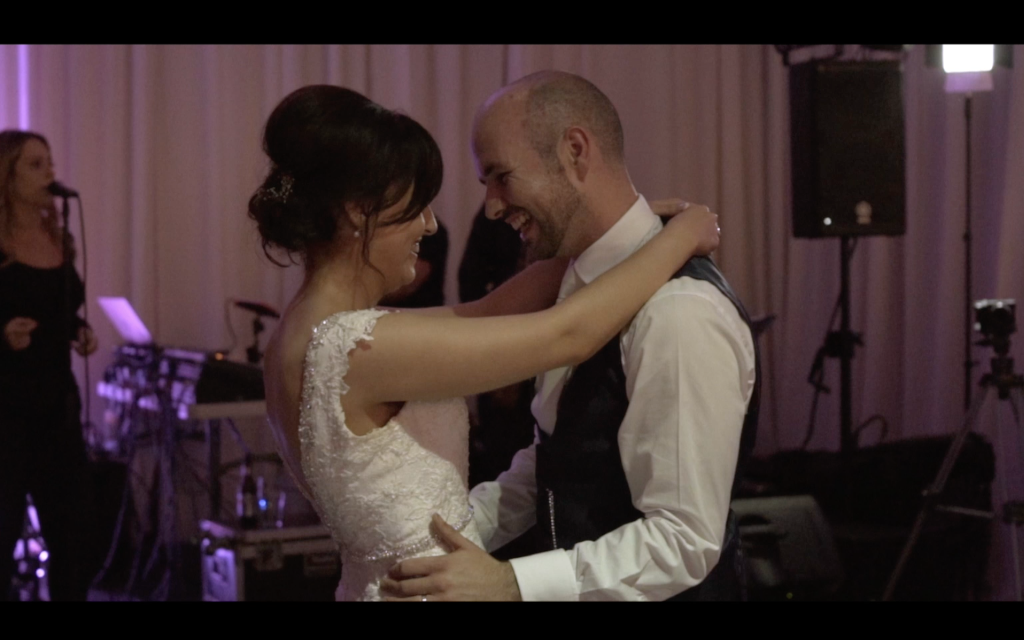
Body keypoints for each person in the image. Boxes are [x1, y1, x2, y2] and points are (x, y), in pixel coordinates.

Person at [249, 84, 721, 601]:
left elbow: (483, 312)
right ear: (361, 211)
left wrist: (624, 232)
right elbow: (568, 334)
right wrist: (680, 236)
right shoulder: (357, 348)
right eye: (416, 207)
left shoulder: (308, 333)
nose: (429, 225)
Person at [381, 71, 760, 602]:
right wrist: (452, 533)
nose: (490, 206)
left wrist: (513, 582)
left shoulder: (678, 311)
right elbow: (558, 460)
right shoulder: (574, 283)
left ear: (575, 152)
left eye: (501, 177)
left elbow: (685, 540)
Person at [0, 130, 99, 601]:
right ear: (7, 176)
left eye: (51, 163)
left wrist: (77, 328)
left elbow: (59, 308)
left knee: (71, 534)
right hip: (6, 410)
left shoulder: (57, 236)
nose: (50, 174)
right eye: (35, 165)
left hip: (57, 406)